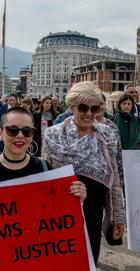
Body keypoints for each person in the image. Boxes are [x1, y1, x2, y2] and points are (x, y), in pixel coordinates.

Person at [41, 81, 125, 265]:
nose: (89, 114)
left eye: (94, 109)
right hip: (61, 215)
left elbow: (115, 177)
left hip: (93, 213)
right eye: (83, 107)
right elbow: (44, 177)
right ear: (72, 106)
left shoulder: (107, 135)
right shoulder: (53, 135)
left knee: (88, 262)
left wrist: (118, 216)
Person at [0, 107, 86, 204]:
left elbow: (57, 207)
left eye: (27, 131)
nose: (20, 136)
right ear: (0, 133)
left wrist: (76, 196)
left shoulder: (43, 167)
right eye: (12, 130)